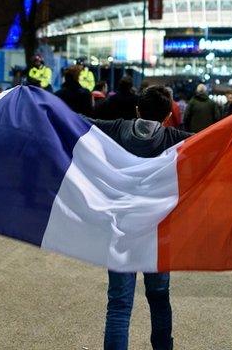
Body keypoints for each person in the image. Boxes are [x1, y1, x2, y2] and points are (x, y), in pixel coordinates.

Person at [90, 86, 192, 350]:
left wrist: (34, 101)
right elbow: (224, 135)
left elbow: (74, 122)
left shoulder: (116, 129)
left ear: (137, 110)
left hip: (121, 229)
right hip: (159, 233)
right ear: (169, 114)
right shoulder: (175, 138)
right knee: (159, 299)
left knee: (119, 305)